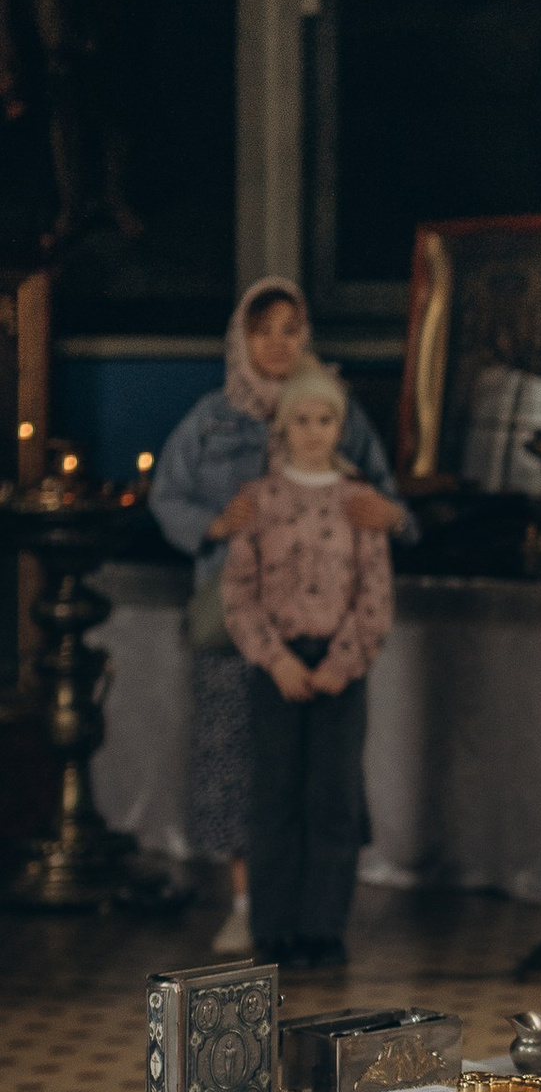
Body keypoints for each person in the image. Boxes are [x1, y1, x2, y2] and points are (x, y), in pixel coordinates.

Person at [148, 275, 403, 957]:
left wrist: (389, 516)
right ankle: (249, 904)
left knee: (322, 776)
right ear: (244, 337)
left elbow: (378, 500)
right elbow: (166, 494)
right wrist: (214, 524)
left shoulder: (334, 407)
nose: (279, 342)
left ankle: (314, 917)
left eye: (291, 329)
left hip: (326, 629)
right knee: (242, 768)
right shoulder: (212, 416)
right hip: (238, 616)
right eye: (265, 329)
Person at [219, 363, 395, 972]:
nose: (313, 431)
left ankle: (323, 928)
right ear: (284, 426)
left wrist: (343, 661)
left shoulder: (357, 502)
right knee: (276, 795)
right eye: (302, 419)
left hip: (338, 667)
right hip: (279, 667)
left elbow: (374, 593)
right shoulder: (261, 501)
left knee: (333, 796)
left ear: (339, 427)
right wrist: (275, 659)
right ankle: (274, 927)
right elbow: (238, 592)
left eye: (325, 420)